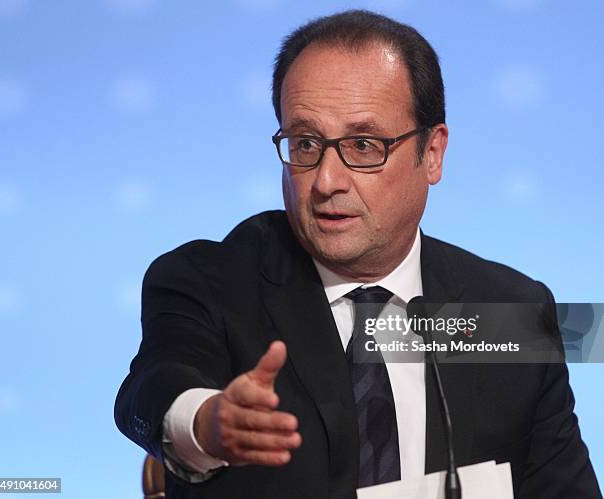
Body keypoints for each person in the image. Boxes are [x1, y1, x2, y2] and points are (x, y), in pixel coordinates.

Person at [114, 10, 601, 499]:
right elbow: (155, 386)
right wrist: (206, 423)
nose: (326, 181)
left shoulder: (508, 311)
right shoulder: (210, 280)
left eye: (363, 146)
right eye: (305, 143)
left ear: (432, 153)